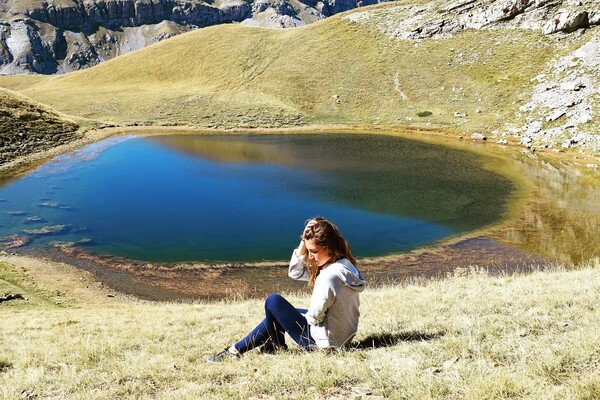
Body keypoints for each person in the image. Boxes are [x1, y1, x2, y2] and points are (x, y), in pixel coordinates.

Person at [207, 217, 366, 363]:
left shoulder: (328, 277)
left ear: (329, 248)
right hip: (343, 337)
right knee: (282, 312)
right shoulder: (345, 266)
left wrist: (291, 319)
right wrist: (304, 241)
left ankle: (247, 349)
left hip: (325, 344)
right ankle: (258, 347)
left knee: (273, 301)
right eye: (309, 251)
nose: (310, 257)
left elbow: (314, 317)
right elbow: (295, 273)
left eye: (314, 251)